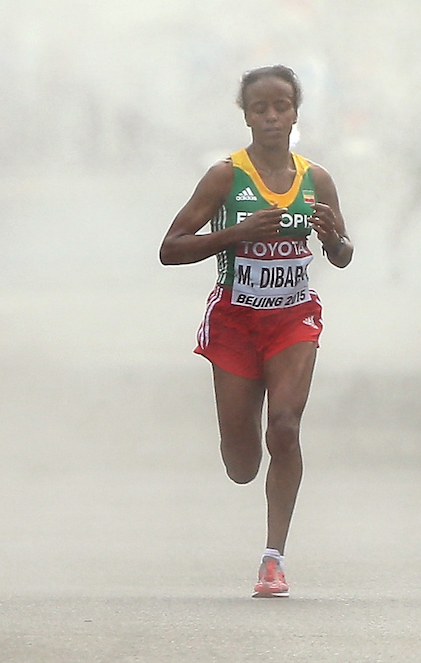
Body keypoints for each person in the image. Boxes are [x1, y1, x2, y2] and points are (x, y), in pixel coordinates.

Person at [159, 65, 352, 597]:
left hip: (293, 318)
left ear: (295, 112)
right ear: (245, 116)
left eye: (281, 107)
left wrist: (334, 239)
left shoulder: (317, 179)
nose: (271, 117)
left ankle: (273, 559)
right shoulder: (225, 177)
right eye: (259, 108)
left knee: (284, 428)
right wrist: (237, 233)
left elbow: (342, 254)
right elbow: (170, 248)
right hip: (235, 322)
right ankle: (244, 458)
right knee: (242, 464)